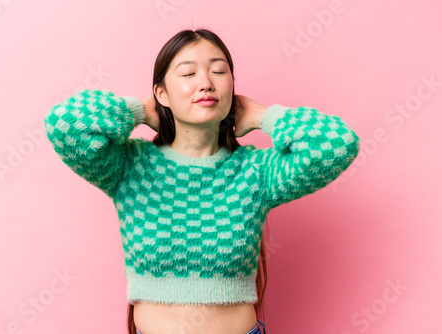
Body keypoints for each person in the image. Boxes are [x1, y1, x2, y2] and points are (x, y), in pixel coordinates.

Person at [44, 28, 360, 334]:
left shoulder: (255, 171)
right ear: (161, 93)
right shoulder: (129, 167)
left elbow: (338, 145)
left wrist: (262, 115)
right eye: (187, 73)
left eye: (219, 72)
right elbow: (63, 126)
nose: (206, 83)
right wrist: (139, 110)